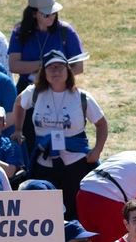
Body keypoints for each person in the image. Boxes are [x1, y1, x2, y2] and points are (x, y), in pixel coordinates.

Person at [14, 49, 105, 217]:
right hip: (44, 163)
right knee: (45, 212)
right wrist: (18, 129)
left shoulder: (81, 96)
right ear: (44, 73)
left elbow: (101, 123)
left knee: (75, 211)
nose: (56, 71)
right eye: (51, 67)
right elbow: (19, 104)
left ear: (67, 70)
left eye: (60, 67)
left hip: (76, 163)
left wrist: (97, 150)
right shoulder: (34, 93)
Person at [7, 0, 84, 87]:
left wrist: (55, 78)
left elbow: (79, 66)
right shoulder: (20, 32)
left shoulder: (66, 31)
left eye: (54, 13)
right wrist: (44, 64)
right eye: (46, 14)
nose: (52, 17)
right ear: (33, 14)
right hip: (28, 86)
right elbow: (14, 66)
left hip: (58, 87)